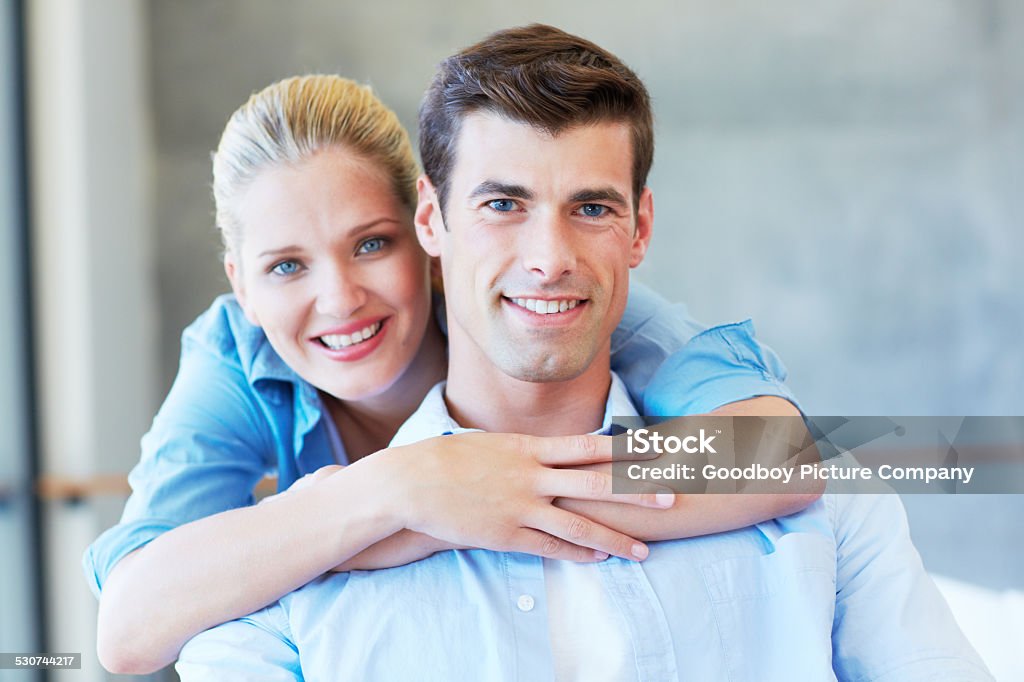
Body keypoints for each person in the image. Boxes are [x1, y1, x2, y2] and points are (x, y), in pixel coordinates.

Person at [175, 24, 991, 681]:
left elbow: (782, 459)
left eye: (590, 207)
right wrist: (390, 503)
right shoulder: (284, 575)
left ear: (639, 227)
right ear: (433, 222)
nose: (549, 257)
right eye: (503, 203)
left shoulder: (825, 510)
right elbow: (130, 625)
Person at [86, 74, 818, 674]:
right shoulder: (236, 357)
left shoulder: (544, 302)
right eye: (285, 266)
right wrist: (402, 490)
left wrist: (468, 501)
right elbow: (128, 627)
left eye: (372, 244)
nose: (338, 299)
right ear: (241, 286)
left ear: (432, 232)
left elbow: (778, 454)